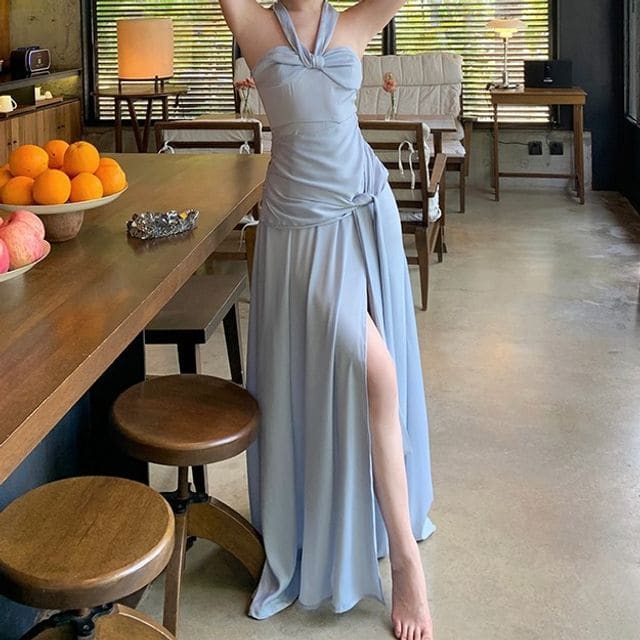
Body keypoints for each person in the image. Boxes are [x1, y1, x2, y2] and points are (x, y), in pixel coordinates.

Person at [219, 2, 435, 639]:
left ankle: (396, 546)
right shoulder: (251, 22)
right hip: (301, 232)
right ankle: (403, 560)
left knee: (375, 375)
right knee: (374, 371)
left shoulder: (357, 23)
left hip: (365, 211)